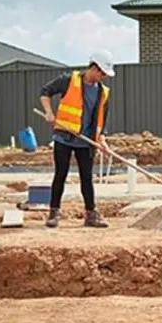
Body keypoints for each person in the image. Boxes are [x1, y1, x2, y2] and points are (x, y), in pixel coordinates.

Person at [38, 50, 114, 228]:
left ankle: (91, 215)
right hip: (64, 137)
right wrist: (49, 112)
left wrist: (102, 139)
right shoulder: (69, 80)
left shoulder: (104, 92)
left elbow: (102, 119)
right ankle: (54, 213)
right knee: (60, 174)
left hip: (86, 141)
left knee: (86, 178)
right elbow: (45, 92)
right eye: (102, 73)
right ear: (94, 68)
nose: (103, 77)